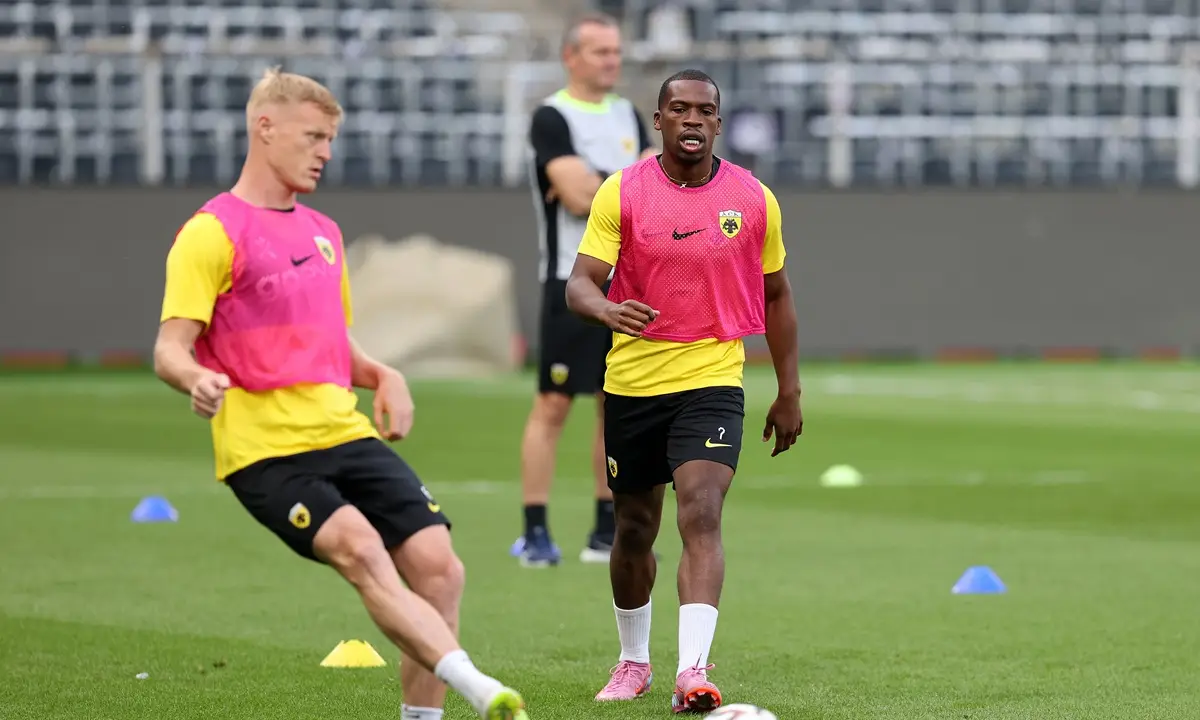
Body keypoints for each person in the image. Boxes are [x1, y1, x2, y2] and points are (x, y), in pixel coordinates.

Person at [153, 68, 529, 720]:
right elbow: (168, 347)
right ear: (265, 128)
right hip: (265, 449)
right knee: (361, 550)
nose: (326, 152)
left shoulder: (324, 232)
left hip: (342, 429)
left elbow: (332, 343)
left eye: (331, 139)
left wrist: (383, 374)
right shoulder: (211, 232)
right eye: (313, 136)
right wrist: (195, 377)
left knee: (441, 567)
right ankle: (477, 688)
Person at [564, 69, 803, 713]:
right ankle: (633, 661)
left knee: (701, 511)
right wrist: (606, 309)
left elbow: (777, 295)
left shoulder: (753, 198)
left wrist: (789, 389)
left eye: (704, 110)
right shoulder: (623, 191)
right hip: (634, 385)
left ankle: (692, 672)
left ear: (718, 123)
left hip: (712, 380)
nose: (692, 119)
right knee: (634, 529)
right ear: (659, 120)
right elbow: (580, 283)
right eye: (679, 109)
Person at [513, 11, 658, 568]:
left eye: (616, 51)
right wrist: (629, 181)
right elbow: (578, 196)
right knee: (552, 405)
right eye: (600, 51)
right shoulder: (552, 117)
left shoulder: (627, 114)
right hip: (571, 278)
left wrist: (602, 181)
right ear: (570, 56)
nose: (611, 61)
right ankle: (535, 531)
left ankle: (605, 530)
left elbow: (641, 190)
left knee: (613, 404)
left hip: (628, 281)